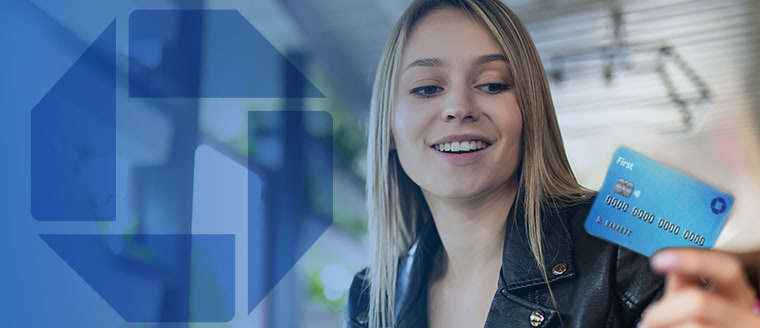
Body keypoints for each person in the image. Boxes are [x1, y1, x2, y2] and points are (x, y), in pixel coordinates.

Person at [345, 0, 760, 327]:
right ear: (389, 130)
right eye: (427, 88)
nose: (458, 107)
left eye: (492, 84)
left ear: (531, 113)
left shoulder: (629, 249)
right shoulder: (369, 298)